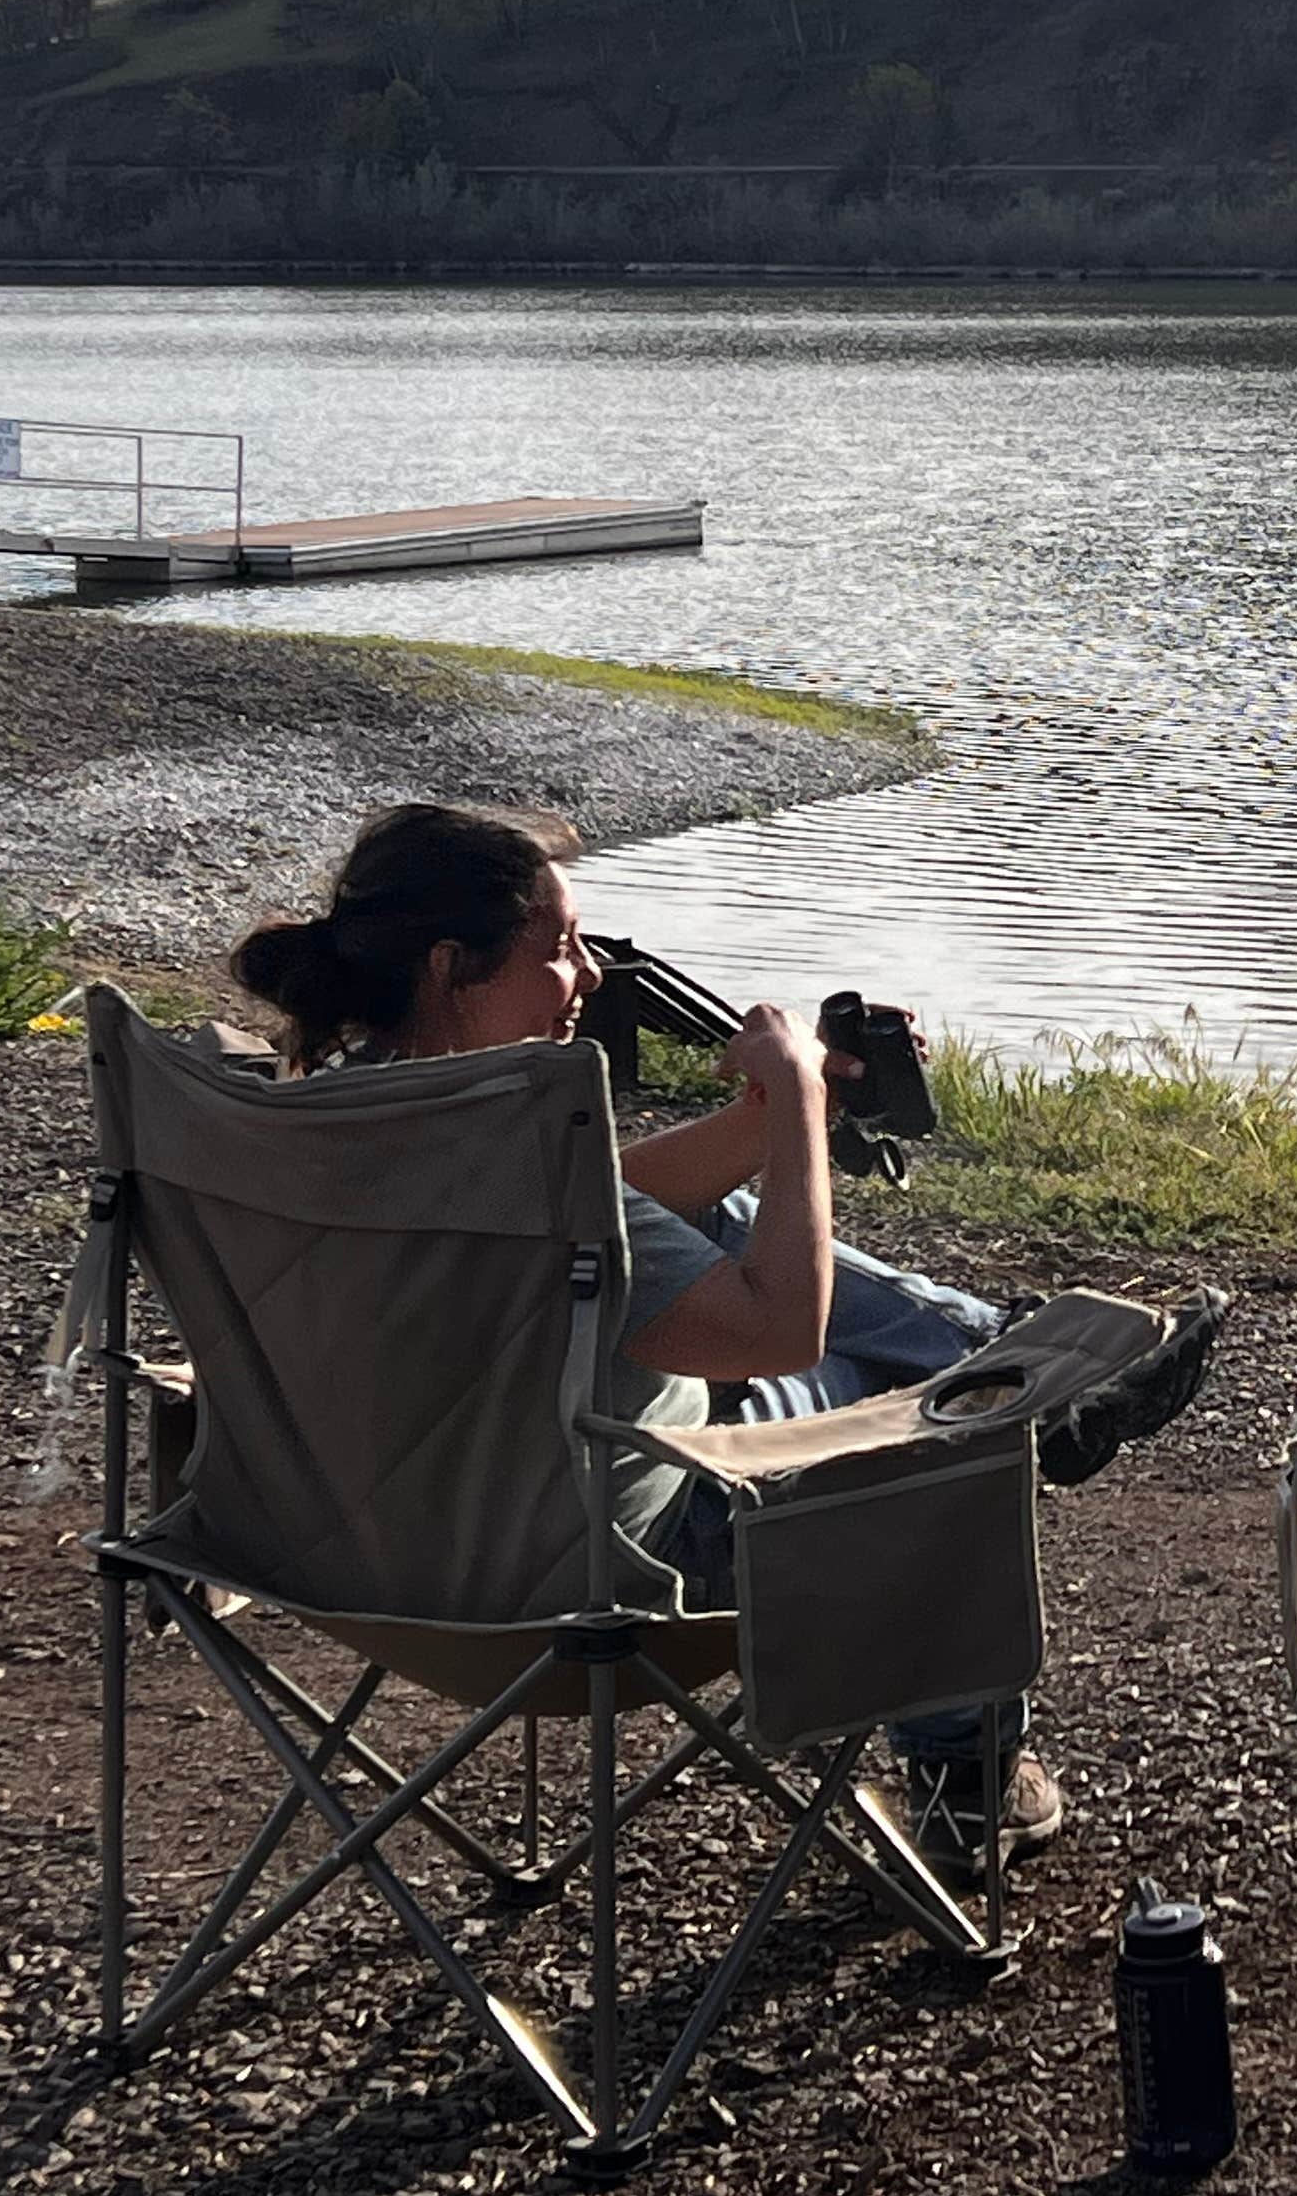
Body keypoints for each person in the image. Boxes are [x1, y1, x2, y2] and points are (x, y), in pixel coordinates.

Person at [228, 801, 1212, 1870]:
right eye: (558, 952)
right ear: (449, 965)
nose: (590, 979)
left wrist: (788, 1115)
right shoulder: (511, 1156)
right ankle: (968, 1766)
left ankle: (1010, 1357)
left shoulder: (312, 1121)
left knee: (721, 1218)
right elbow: (782, 1331)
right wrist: (789, 1093)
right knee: (937, 1429)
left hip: (352, 1538)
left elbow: (600, 1209)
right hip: (591, 1559)